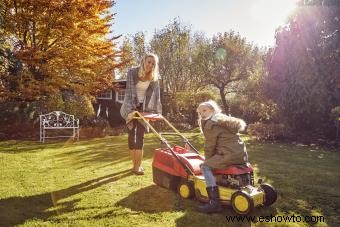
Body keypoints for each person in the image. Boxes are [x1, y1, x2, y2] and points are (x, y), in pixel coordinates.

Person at [196, 100, 248, 213]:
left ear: (212, 110)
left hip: (228, 154)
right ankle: (222, 183)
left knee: (205, 167)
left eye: (204, 110)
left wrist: (208, 161)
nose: (202, 114)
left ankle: (214, 203)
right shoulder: (223, 120)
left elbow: (210, 145)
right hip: (240, 154)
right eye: (200, 112)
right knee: (212, 163)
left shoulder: (211, 124)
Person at [120, 53, 162, 175]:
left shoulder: (154, 78)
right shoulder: (132, 73)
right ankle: (134, 165)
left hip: (144, 108)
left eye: (153, 64)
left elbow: (156, 96)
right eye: (149, 62)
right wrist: (131, 111)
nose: (151, 65)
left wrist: (156, 112)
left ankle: (137, 166)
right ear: (143, 61)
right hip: (130, 106)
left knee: (140, 136)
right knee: (131, 135)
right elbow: (129, 92)